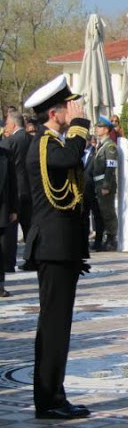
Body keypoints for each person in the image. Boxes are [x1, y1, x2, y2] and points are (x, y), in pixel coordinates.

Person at [23, 75, 91, 419]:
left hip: (60, 247)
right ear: (55, 112)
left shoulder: (52, 142)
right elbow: (70, 158)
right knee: (53, 327)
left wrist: (75, 127)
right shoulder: (47, 144)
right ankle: (48, 400)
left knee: (58, 327)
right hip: (53, 246)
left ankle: (54, 395)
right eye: (70, 106)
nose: (75, 110)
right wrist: (80, 125)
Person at [2, 110, 34, 272]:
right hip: (31, 190)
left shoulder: (10, 141)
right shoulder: (32, 139)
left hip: (14, 191)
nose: (6, 126)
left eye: (7, 123)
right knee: (30, 227)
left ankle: (8, 263)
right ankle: (32, 260)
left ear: (13, 124)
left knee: (10, 230)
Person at [93, 116, 119, 251]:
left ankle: (111, 238)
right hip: (98, 183)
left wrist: (106, 185)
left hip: (104, 184)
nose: (97, 129)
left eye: (99, 127)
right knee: (102, 212)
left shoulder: (110, 147)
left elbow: (110, 167)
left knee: (108, 212)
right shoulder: (101, 145)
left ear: (106, 129)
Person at [0, 141, 18, 297]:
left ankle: (0, 285)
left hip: (2, 208)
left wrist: (13, 208)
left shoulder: (6, 155)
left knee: (1, 249)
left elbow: (13, 183)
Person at [82, 136, 103, 253]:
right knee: (84, 216)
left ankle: (98, 243)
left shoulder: (95, 152)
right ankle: (84, 243)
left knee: (97, 216)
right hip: (82, 190)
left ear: (89, 141)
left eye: (84, 141)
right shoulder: (78, 153)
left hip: (94, 188)